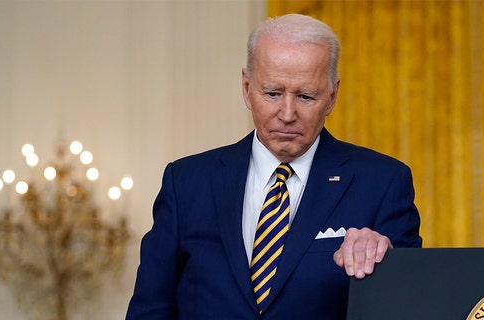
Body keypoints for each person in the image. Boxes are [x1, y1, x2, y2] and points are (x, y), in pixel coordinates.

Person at [126, 13, 421, 320]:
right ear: (246, 87)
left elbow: (409, 306)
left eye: (306, 96)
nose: (288, 113)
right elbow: (150, 311)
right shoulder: (186, 183)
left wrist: (389, 266)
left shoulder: (383, 183)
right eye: (272, 93)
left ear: (332, 96)